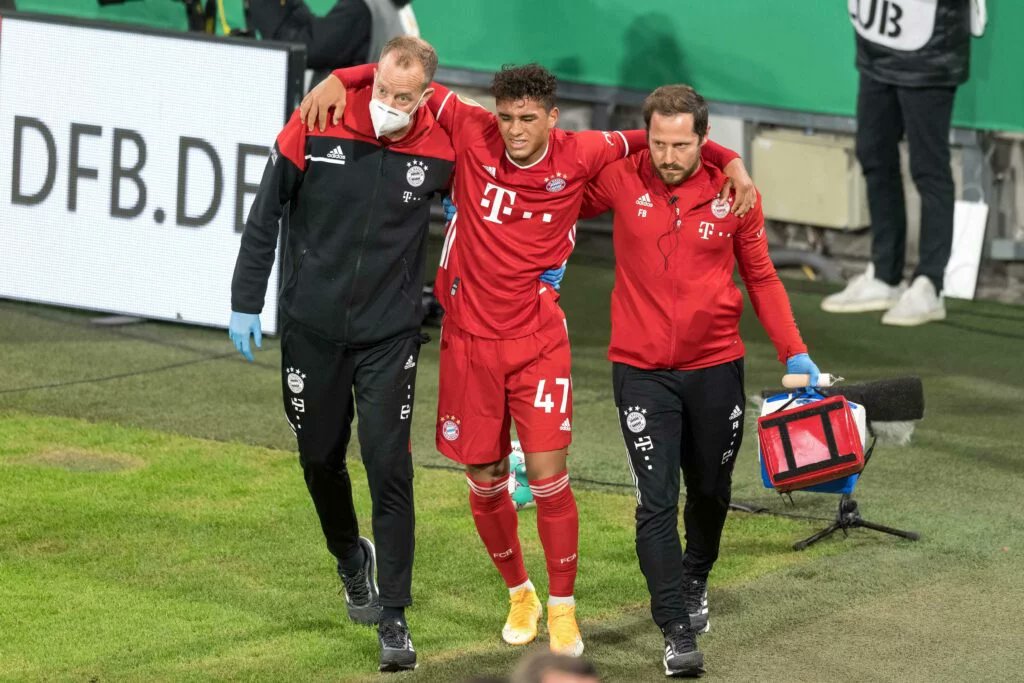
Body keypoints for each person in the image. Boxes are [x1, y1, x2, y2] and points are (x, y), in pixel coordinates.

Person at [300, 62, 755, 657]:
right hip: (467, 343)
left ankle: (563, 608)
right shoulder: (470, 127)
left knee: (547, 478)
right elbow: (406, 77)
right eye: (507, 117)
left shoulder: (585, 150)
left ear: (551, 118)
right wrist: (345, 77)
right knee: (486, 478)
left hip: (538, 342)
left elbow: (661, 137)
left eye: (527, 118)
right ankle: (521, 594)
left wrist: (732, 161)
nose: (514, 129)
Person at [228, 36, 454, 672]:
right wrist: (246, 299)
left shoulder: (443, 143)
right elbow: (265, 213)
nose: (389, 103)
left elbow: (477, 214)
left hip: (390, 336)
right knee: (318, 457)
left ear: (425, 98)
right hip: (312, 328)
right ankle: (351, 558)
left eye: (403, 97)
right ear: (370, 77)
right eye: (381, 89)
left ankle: (395, 616)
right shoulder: (318, 117)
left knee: (389, 467)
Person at [578, 84, 820, 677]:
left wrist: (795, 351)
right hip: (640, 372)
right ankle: (675, 628)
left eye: (682, 146)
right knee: (656, 500)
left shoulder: (736, 195)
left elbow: (761, 278)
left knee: (710, 490)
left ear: (703, 141)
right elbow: (562, 182)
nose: (667, 156)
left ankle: (695, 576)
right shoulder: (622, 176)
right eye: (658, 143)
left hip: (715, 368)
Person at [823, 0, 980, 326]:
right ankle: (885, 275)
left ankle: (929, 284)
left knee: (928, 166)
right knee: (873, 152)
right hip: (877, 39)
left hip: (931, 46)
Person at [249, 0, 418, 84]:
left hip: (346, 126)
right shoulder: (395, 11)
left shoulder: (362, 8)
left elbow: (306, 50)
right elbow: (322, 36)